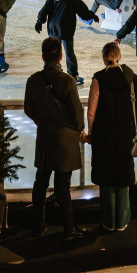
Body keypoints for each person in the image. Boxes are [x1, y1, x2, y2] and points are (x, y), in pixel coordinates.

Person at [25, 37, 85, 239]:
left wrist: (41, 121)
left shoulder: (33, 80)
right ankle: (69, 228)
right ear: (61, 56)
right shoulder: (68, 81)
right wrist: (78, 129)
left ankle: (38, 225)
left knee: (40, 182)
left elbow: (28, 109)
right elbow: (77, 114)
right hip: (65, 140)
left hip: (45, 137)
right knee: (63, 186)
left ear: (43, 57)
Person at [84, 41, 137, 232]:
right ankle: (122, 220)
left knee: (107, 177)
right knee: (123, 175)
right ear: (119, 56)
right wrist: (133, 130)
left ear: (103, 58)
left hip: (104, 134)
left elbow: (91, 112)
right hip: (125, 133)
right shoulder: (132, 78)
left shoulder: (98, 79)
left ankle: (109, 221)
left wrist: (91, 133)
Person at [36, 0, 97, 84]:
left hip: (54, 28)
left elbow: (46, 8)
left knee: (53, 52)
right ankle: (73, 75)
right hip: (66, 29)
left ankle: (52, 73)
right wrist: (92, 15)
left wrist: (40, 21)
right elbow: (83, 11)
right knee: (69, 53)